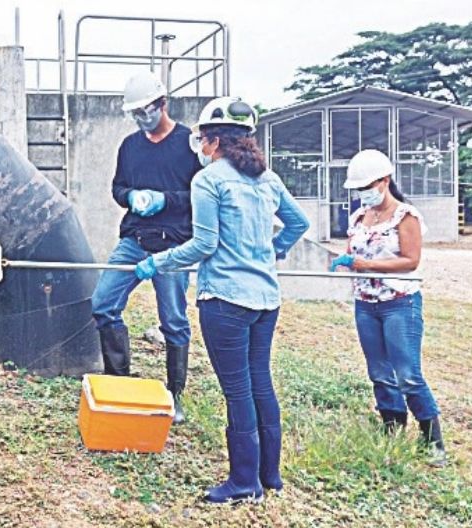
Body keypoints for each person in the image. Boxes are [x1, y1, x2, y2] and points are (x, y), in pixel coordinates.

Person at [135, 96, 310, 504]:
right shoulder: (267, 179)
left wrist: (156, 263)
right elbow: (298, 223)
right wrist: (272, 249)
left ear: (213, 140)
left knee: (238, 391)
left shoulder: (209, 180)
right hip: (266, 299)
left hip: (226, 301)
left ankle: (244, 482)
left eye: (200, 138)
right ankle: (270, 477)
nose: (198, 146)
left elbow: (203, 245)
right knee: (260, 383)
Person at [91, 72, 203, 424]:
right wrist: (131, 197)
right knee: (103, 304)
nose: (142, 119)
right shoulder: (130, 146)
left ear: (163, 104)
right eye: (135, 114)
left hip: (173, 246)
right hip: (134, 240)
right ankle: (120, 382)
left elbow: (200, 196)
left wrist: (164, 200)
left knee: (173, 319)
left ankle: (176, 394)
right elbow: (118, 187)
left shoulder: (189, 145)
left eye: (146, 111)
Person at [330, 149, 446, 466]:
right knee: (379, 372)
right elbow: (352, 251)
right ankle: (392, 427)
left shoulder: (405, 216)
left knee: (407, 373)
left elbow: (411, 260)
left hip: (399, 303)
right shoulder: (358, 217)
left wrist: (367, 264)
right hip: (366, 304)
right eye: (358, 188)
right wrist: (346, 262)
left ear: (385, 181)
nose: (363, 193)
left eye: (367, 186)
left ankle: (432, 439)